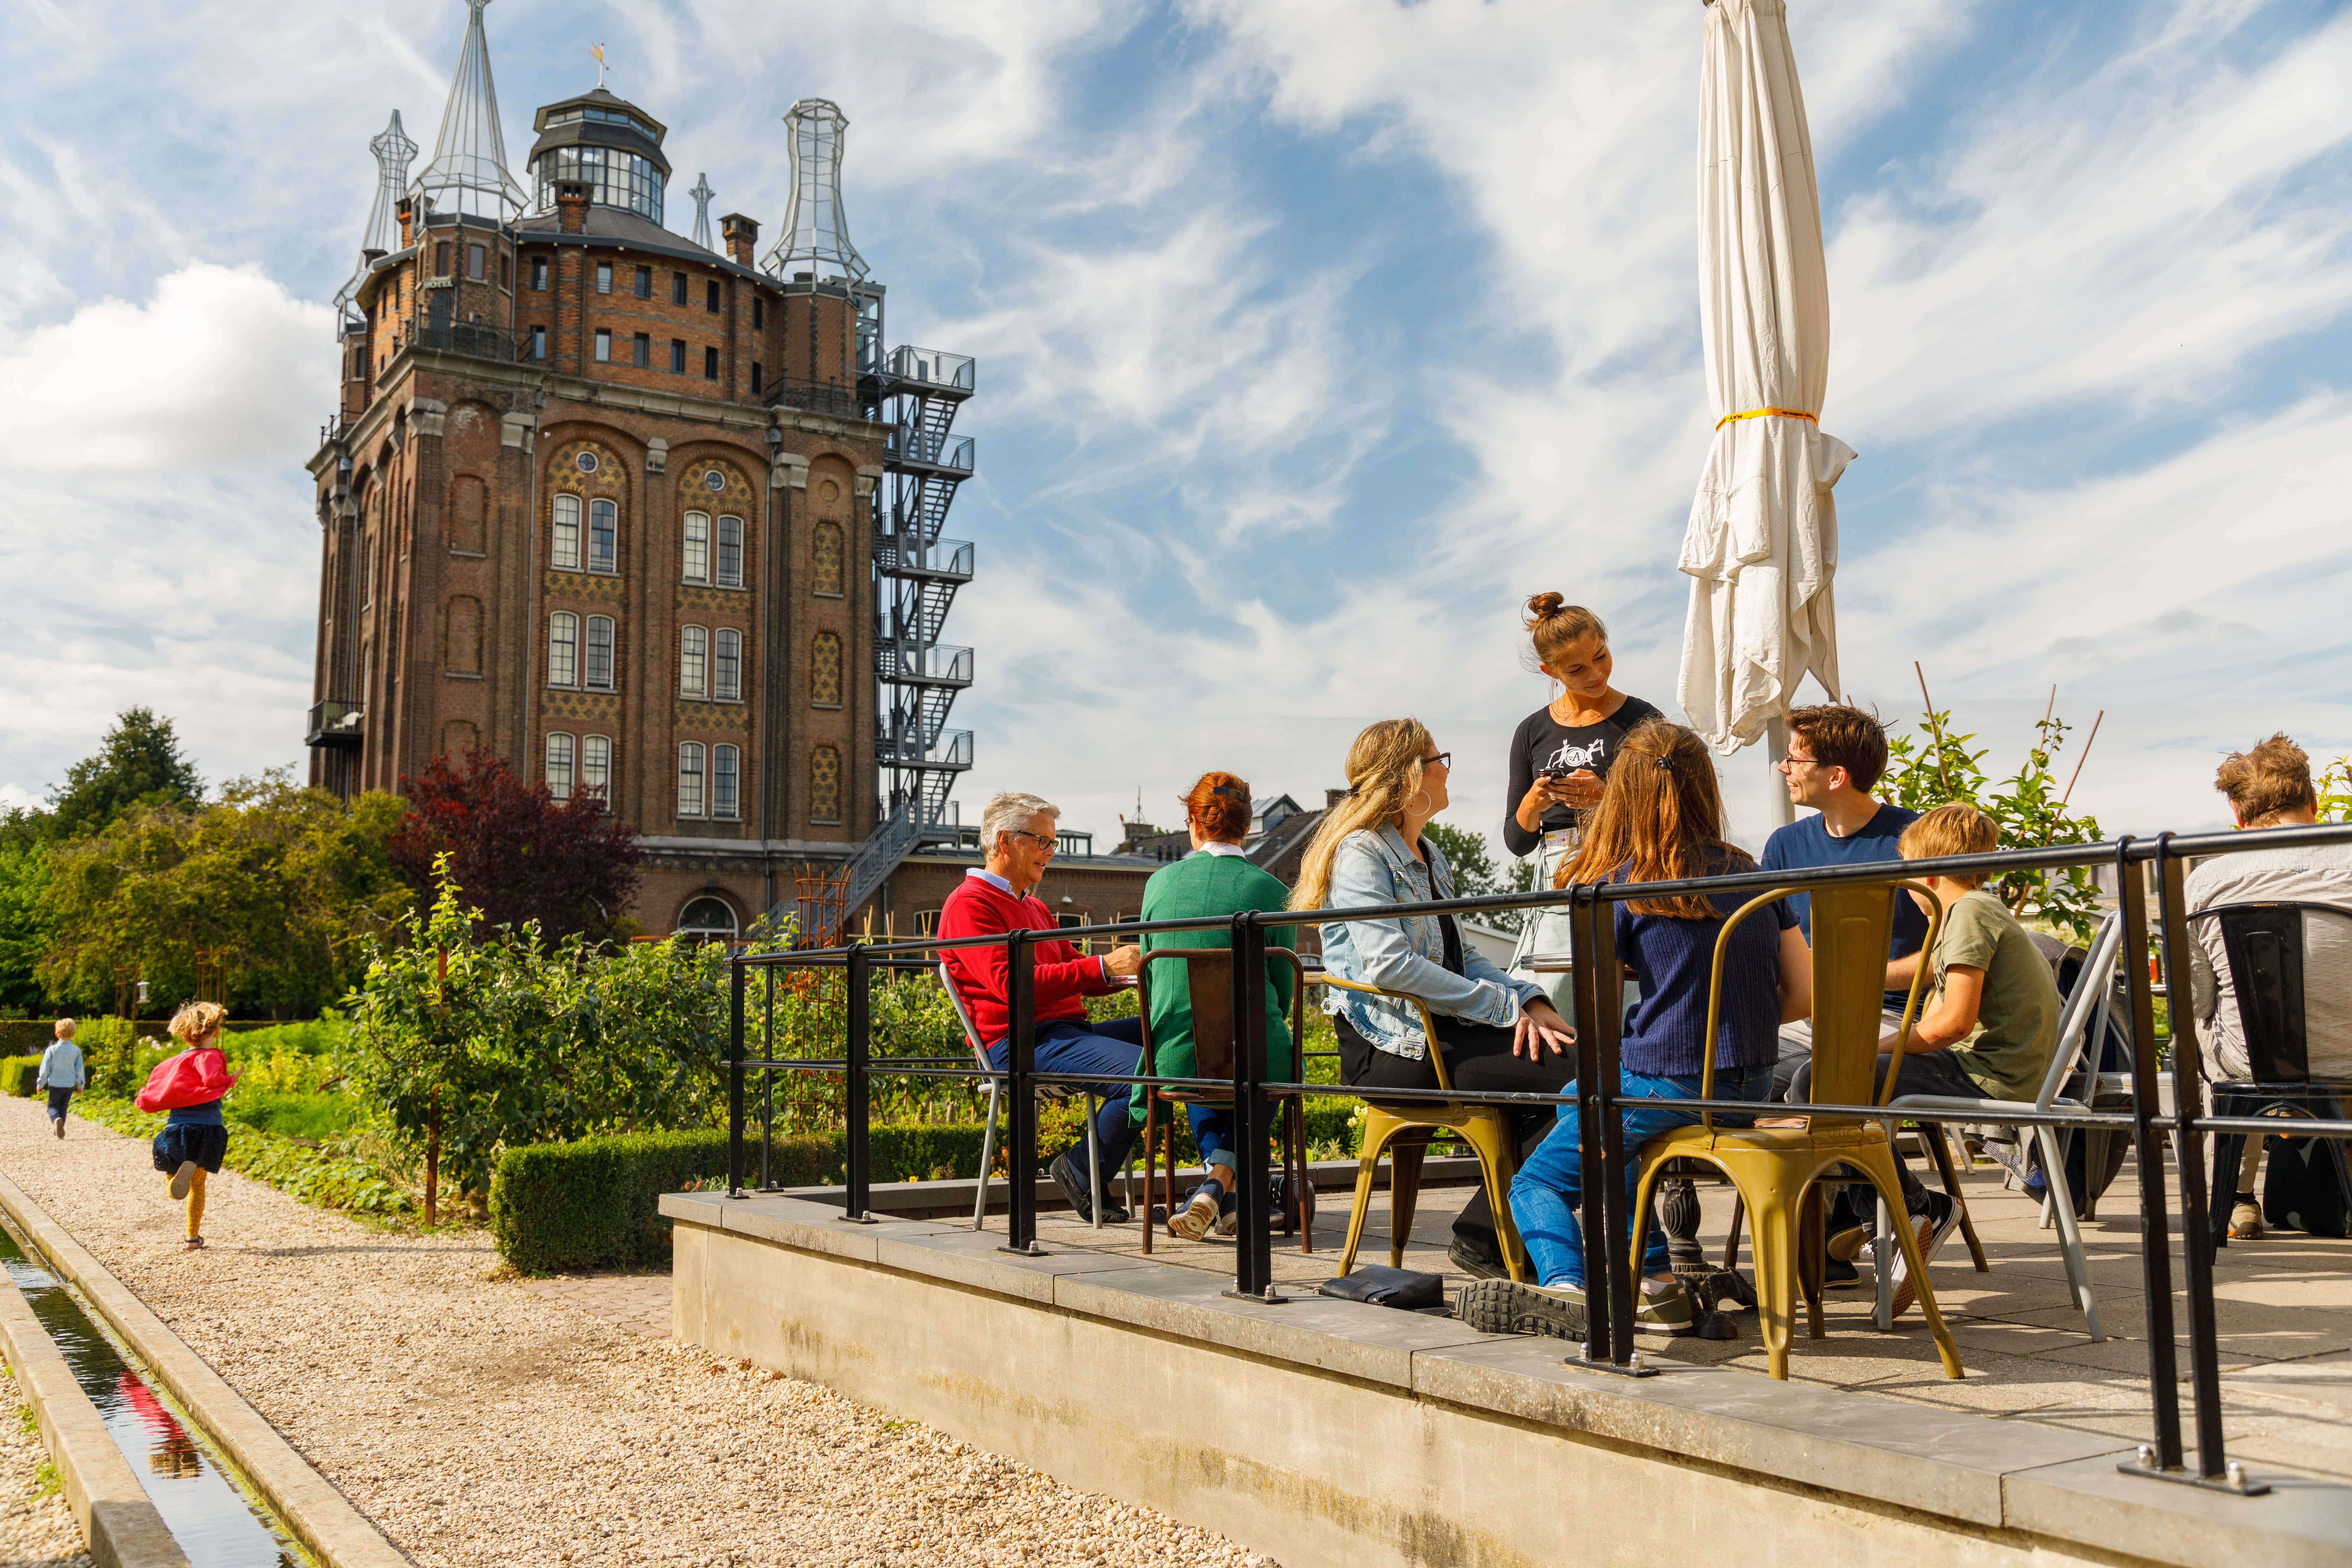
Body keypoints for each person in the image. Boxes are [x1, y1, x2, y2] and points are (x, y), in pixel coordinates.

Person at [1464, 720, 1811, 1340]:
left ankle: (1568, 1287)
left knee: (1538, 1178)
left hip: (1666, 1084)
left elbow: (1596, 1020)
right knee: (1591, 1111)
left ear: (1622, 794)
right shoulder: (1755, 873)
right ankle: (1655, 1285)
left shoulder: (1621, 886)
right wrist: (1725, 1025)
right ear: (1708, 788)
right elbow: (1803, 994)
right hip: (1752, 1086)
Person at [1293, 719, 1577, 1279]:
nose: (1447, 767)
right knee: (1591, 1083)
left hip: (1435, 1029)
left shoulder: (1428, 853)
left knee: (1586, 1067)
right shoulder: (1361, 854)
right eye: (1438, 757)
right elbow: (1389, 966)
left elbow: (1458, 954)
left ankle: (1490, 1231)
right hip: (1393, 1047)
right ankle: (1489, 1236)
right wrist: (1502, 1010)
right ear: (1408, 776)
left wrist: (1529, 997)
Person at [1789, 803, 2060, 1315]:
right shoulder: (1976, 911)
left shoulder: (1969, 914)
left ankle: (1907, 1213)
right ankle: (1891, 1215)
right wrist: (1861, 1049)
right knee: (1829, 1078)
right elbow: (1931, 1022)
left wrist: (1858, 1055)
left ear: (1925, 874)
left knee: (1816, 1082)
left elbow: (1948, 1025)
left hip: (1990, 1076)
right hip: (1995, 1069)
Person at [940, 790, 1147, 1223]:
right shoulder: (969, 904)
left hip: (1064, 1033)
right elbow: (1009, 986)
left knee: (1176, 1037)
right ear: (1004, 842)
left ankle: (1219, 1185)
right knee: (1145, 1071)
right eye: (1043, 842)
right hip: (1016, 1043)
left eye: (1053, 843)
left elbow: (1075, 968)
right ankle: (1081, 1169)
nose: (1050, 853)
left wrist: (1138, 973)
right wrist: (1102, 967)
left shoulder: (1032, 906)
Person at [2184, 734, 2352, 1240]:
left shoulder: (2205, 880)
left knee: (2208, 1031)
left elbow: (2197, 1000)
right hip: (2350, 1054)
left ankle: (2234, 1198)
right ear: (2315, 802)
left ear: (2238, 815)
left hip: (2253, 1062)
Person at [1132, 773, 1299, 1241]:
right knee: (1264, 1059)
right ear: (1248, 828)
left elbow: (1149, 969)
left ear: (1195, 823)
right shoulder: (1270, 890)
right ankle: (1225, 1189)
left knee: (1199, 1053)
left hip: (1175, 1056)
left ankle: (1216, 1189)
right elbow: (1283, 987)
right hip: (1254, 1053)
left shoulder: (1159, 885)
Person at [1502, 596, 1666, 1014]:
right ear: (1550, 672)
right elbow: (1517, 841)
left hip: (1630, 868)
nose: (1596, 674)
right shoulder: (1531, 731)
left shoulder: (1645, 720)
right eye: (1577, 669)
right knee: (1553, 994)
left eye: (1602, 656)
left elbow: (1675, 811)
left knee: (1627, 998)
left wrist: (1606, 800)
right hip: (1558, 876)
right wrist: (1533, 803)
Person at [1761, 705, 1926, 1101]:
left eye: (1795, 758)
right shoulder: (1784, 844)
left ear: (1836, 776)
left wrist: (1854, 978)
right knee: (1712, 1070)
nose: (1784, 768)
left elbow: (1956, 951)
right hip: (1804, 1017)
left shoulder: (1916, 841)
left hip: (1893, 1018)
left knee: (1805, 1080)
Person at [136, 1001, 239, 1251]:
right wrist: (231, 1079)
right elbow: (213, 1080)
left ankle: (173, 1183)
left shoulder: (174, 1064)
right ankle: (192, 1238)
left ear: (184, 1035)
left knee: (172, 1174)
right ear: (215, 1033)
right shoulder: (211, 1056)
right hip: (209, 1129)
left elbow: (158, 1089)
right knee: (198, 1186)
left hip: (180, 1129)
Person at [35, 1019, 85, 1140]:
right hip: (68, 1085)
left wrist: (41, 1083)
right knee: (63, 1107)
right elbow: (80, 1070)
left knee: (52, 1107)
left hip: (55, 1084)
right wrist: (80, 1085)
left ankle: (56, 1120)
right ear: (73, 1034)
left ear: (57, 1034)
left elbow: (45, 1069)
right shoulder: (76, 1051)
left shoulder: (52, 1050)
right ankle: (57, 1131)